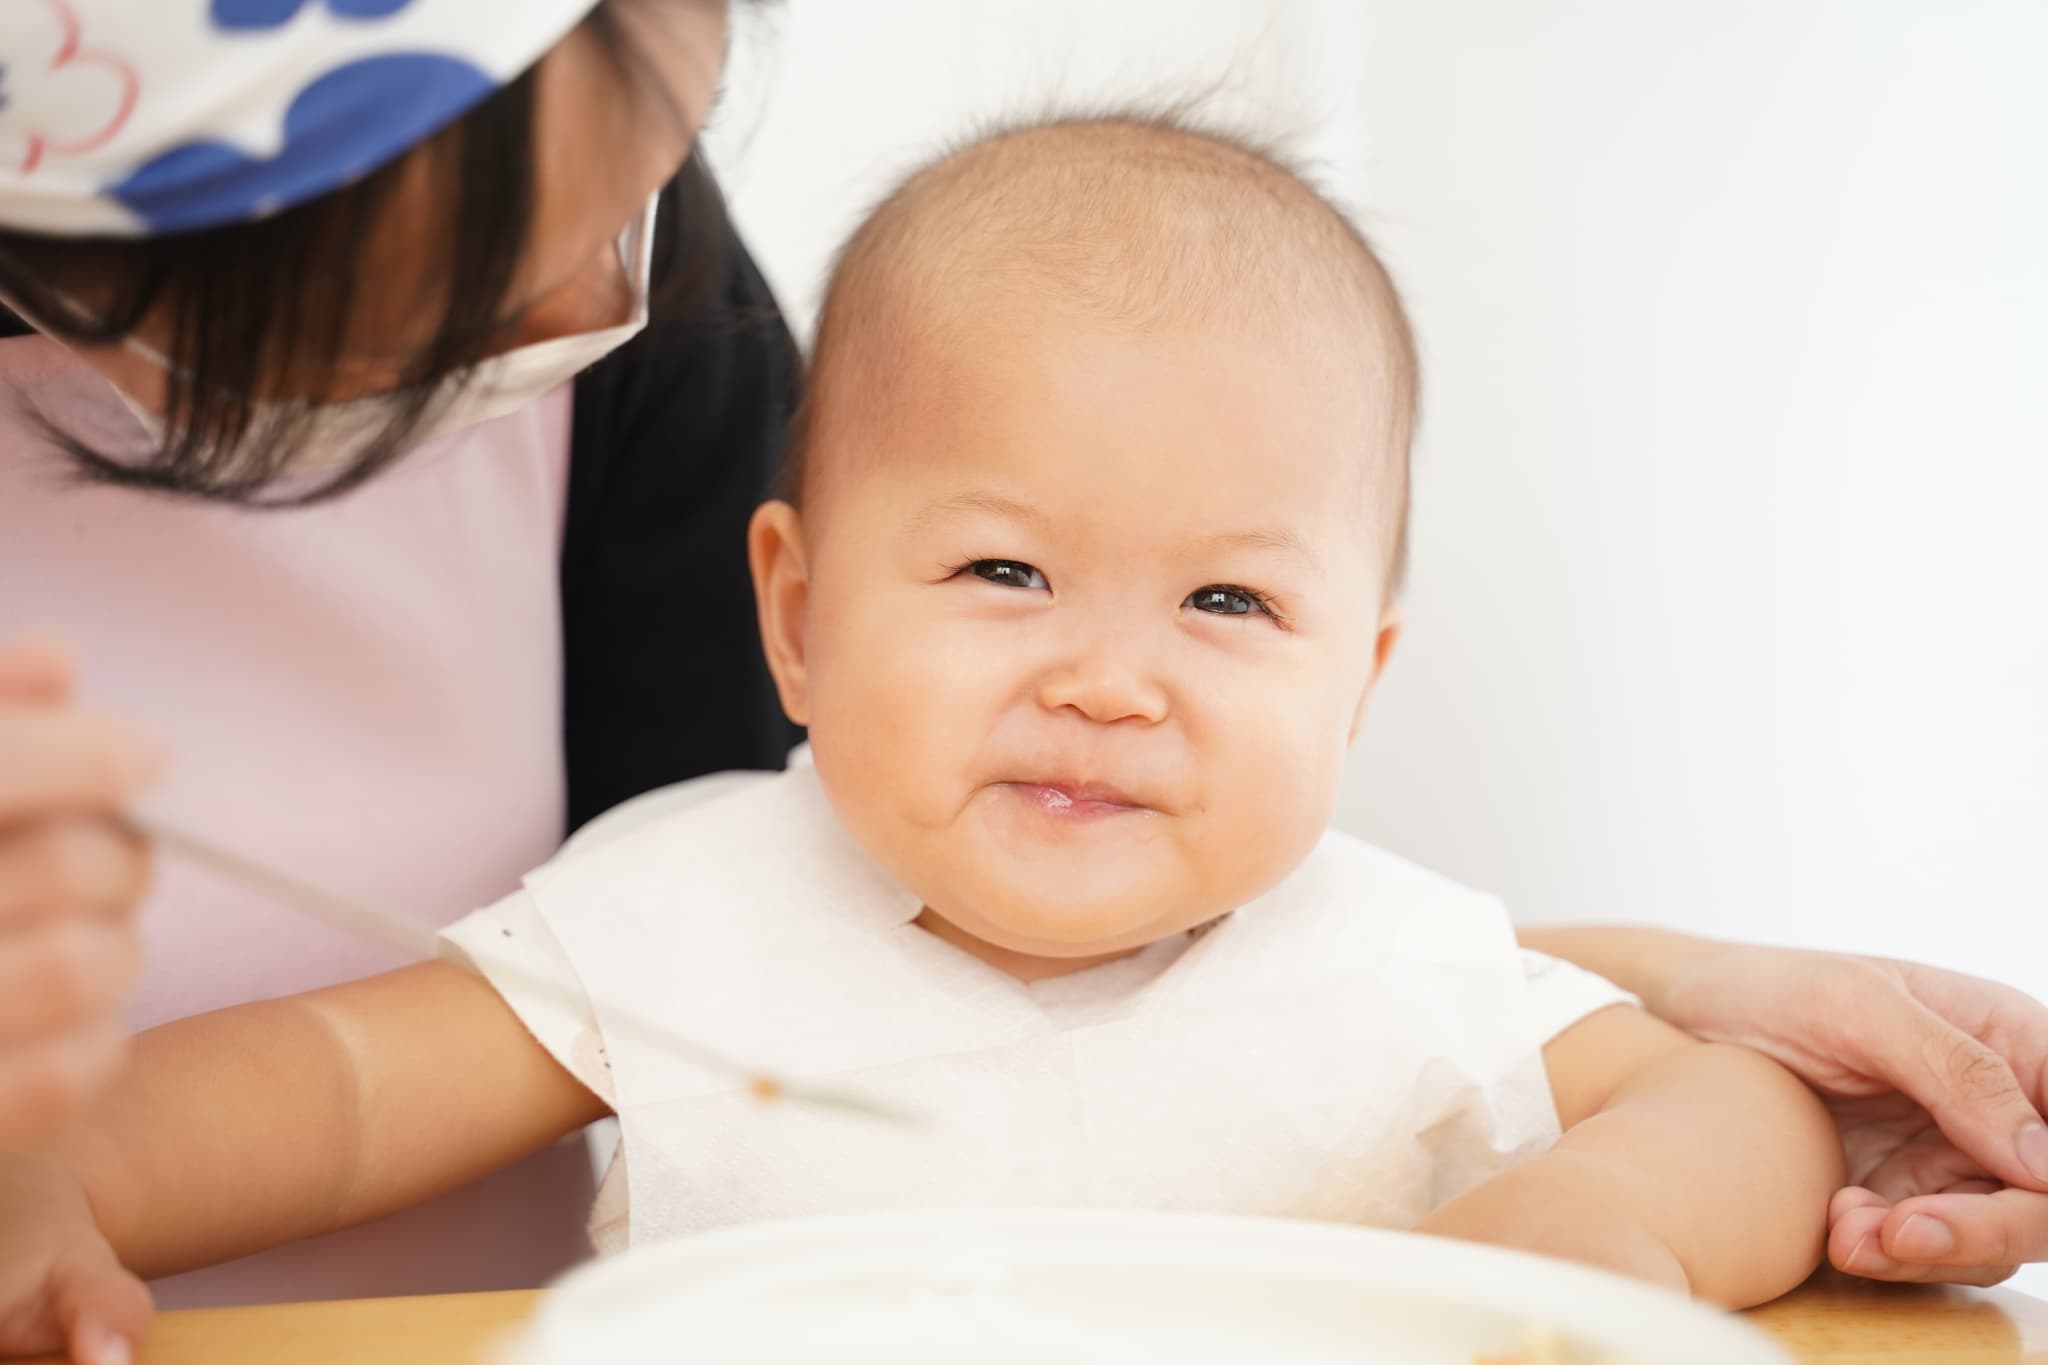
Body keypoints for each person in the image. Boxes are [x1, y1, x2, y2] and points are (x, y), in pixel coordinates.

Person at [0, 0, 2041, 1314]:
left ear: (1362, 678)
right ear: (795, 614)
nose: (1108, 680)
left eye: (1227, 604)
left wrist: (1610, 1223)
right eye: (1003, 569)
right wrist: (46, 1180)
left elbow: (1731, 1108)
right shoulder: (685, 911)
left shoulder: (1393, 961)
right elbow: (338, 1085)